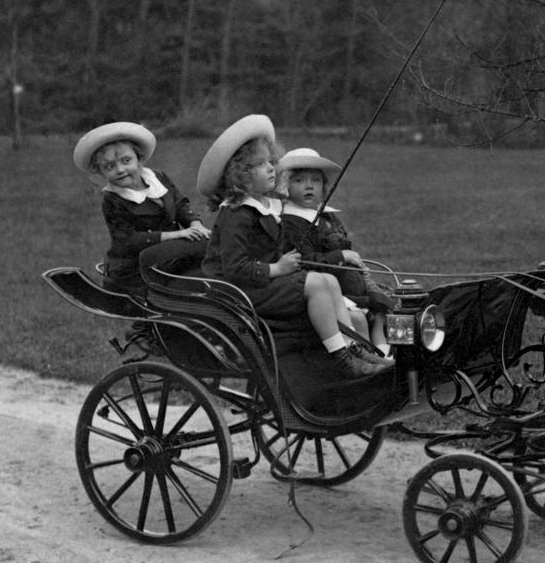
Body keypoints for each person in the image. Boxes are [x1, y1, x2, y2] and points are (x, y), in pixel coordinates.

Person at [196, 115, 388, 378]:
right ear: (240, 176)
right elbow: (234, 269)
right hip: (240, 292)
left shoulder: (267, 207)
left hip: (263, 284)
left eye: (270, 162)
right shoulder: (236, 215)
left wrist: (288, 265)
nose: (271, 168)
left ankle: (354, 346)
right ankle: (342, 357)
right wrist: (278, 268)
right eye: (259, 165)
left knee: (327, 280)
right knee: (318, 283)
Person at [277, 147, 396, 355]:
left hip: (353, 285)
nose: (308, 186)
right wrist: (341, 257)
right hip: (327, 290)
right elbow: (303, 260)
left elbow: (346, 248)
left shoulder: (328, 217)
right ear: (286, 186)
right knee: (358, 318)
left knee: (383, 312)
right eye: (299, 181)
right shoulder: (291, 222)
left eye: (315, 180)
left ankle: (387, 358)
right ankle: (367, 361)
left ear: (324, 187)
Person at [74, 121, 209, 296]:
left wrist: (195, 224)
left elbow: (180, 204)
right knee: (201, 256)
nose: (120, 169)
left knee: (211, 245)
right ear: (101, 172)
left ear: (138, 159)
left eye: (126, 160)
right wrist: (174, 235)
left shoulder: (158, 177)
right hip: (135, 267)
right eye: (110, 166)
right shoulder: (113, 199)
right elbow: (127, 240)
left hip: (169, 255)